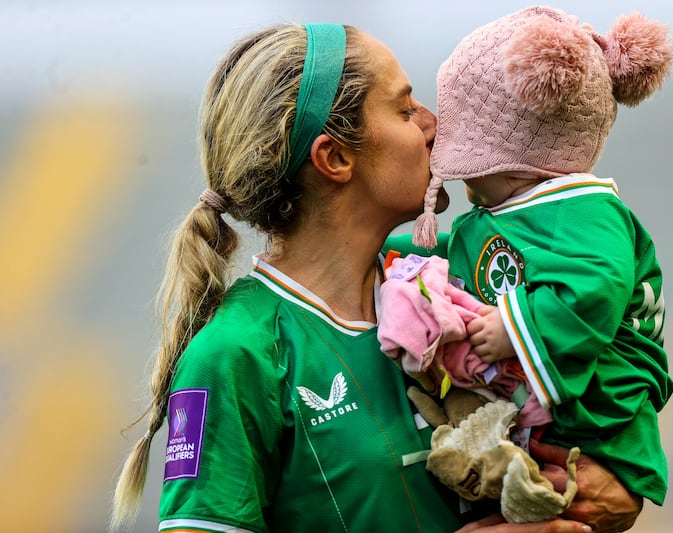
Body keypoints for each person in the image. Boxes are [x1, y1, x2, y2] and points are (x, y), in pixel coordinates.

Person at [111, 20, 642, 533]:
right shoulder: (236, 351)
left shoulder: (445, 273)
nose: (435, 124)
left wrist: (612, 489)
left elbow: (608, 380)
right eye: (405, 108)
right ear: (336, 157)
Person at [391, 3, 673, 523]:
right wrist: (399, 262)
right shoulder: (513, 213)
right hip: (556, 411)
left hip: (597, 419)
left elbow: (596, 285)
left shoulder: (583, 212)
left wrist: (513, 328)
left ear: (513, 154)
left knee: (546, 506)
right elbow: (469, 258)